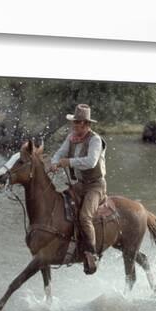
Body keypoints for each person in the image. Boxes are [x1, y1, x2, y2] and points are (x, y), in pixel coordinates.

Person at [50, 104, 107, 274]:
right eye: (74, 122)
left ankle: (91, 253)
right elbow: (60, 153)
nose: (73, 125)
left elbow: (91, 162)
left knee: (84, 217)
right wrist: (54, 163)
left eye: (77, 122)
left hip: (96, 186)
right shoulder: (72, 137)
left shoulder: (95, 140)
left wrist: (69, 162)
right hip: (80, 184)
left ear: (85, 123)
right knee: (61, 206)